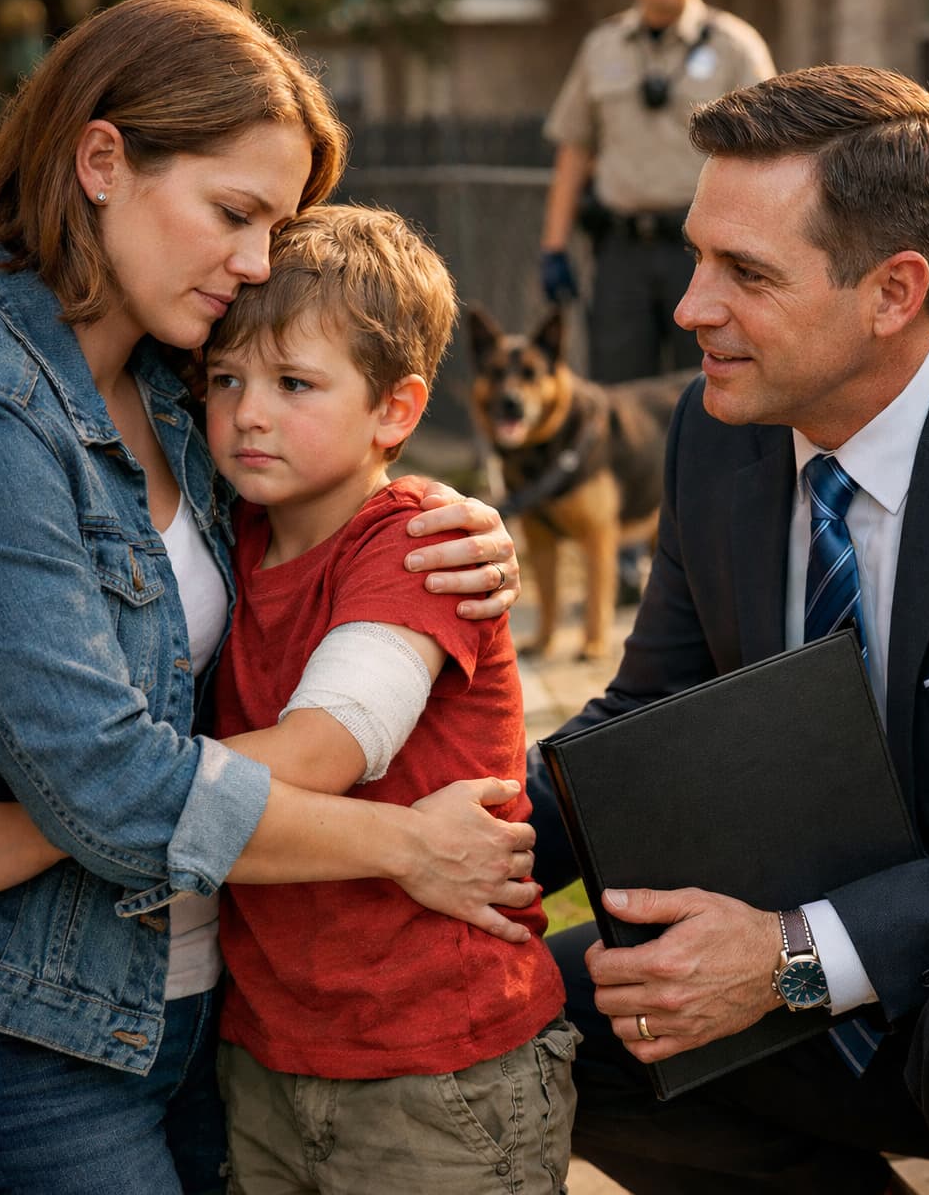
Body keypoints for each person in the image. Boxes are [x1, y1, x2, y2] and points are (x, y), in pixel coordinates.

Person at [0, 0, 534, 1195]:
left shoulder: (181, 391)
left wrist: (453, 529)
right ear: (101, 161)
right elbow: (110, 783)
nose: (254, 262)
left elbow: (329, 498)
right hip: (43, 1034)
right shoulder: (7, 408)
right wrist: (403, 844)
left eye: (273, 223)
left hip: (218, 1017)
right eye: (232, 213)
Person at [527, 65, 929, 1195]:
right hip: (826, 966)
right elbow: (651, 716)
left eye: (743, 273)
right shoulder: (720, 429)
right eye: (698, 256)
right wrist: (449, 852)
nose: (689, 307)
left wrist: (799, 957)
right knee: (542, 1014)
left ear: (894, 290)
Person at [198, 202, 578, 1192]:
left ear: (396, 413)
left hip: (438, 1064)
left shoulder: (414, 545)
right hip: (269, 1047)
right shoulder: (231, 535)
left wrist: (112, 784)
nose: (248, 413)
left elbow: (329, 746)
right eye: (225, 379)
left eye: (293, 383)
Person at [539, 0, 775, 384]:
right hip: (621, 251)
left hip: (708, 253)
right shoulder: (602, 47)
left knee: (714, 387)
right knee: (620, 397)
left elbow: (770, 155)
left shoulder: (736, 46)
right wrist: (554, 246)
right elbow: (575, 149)